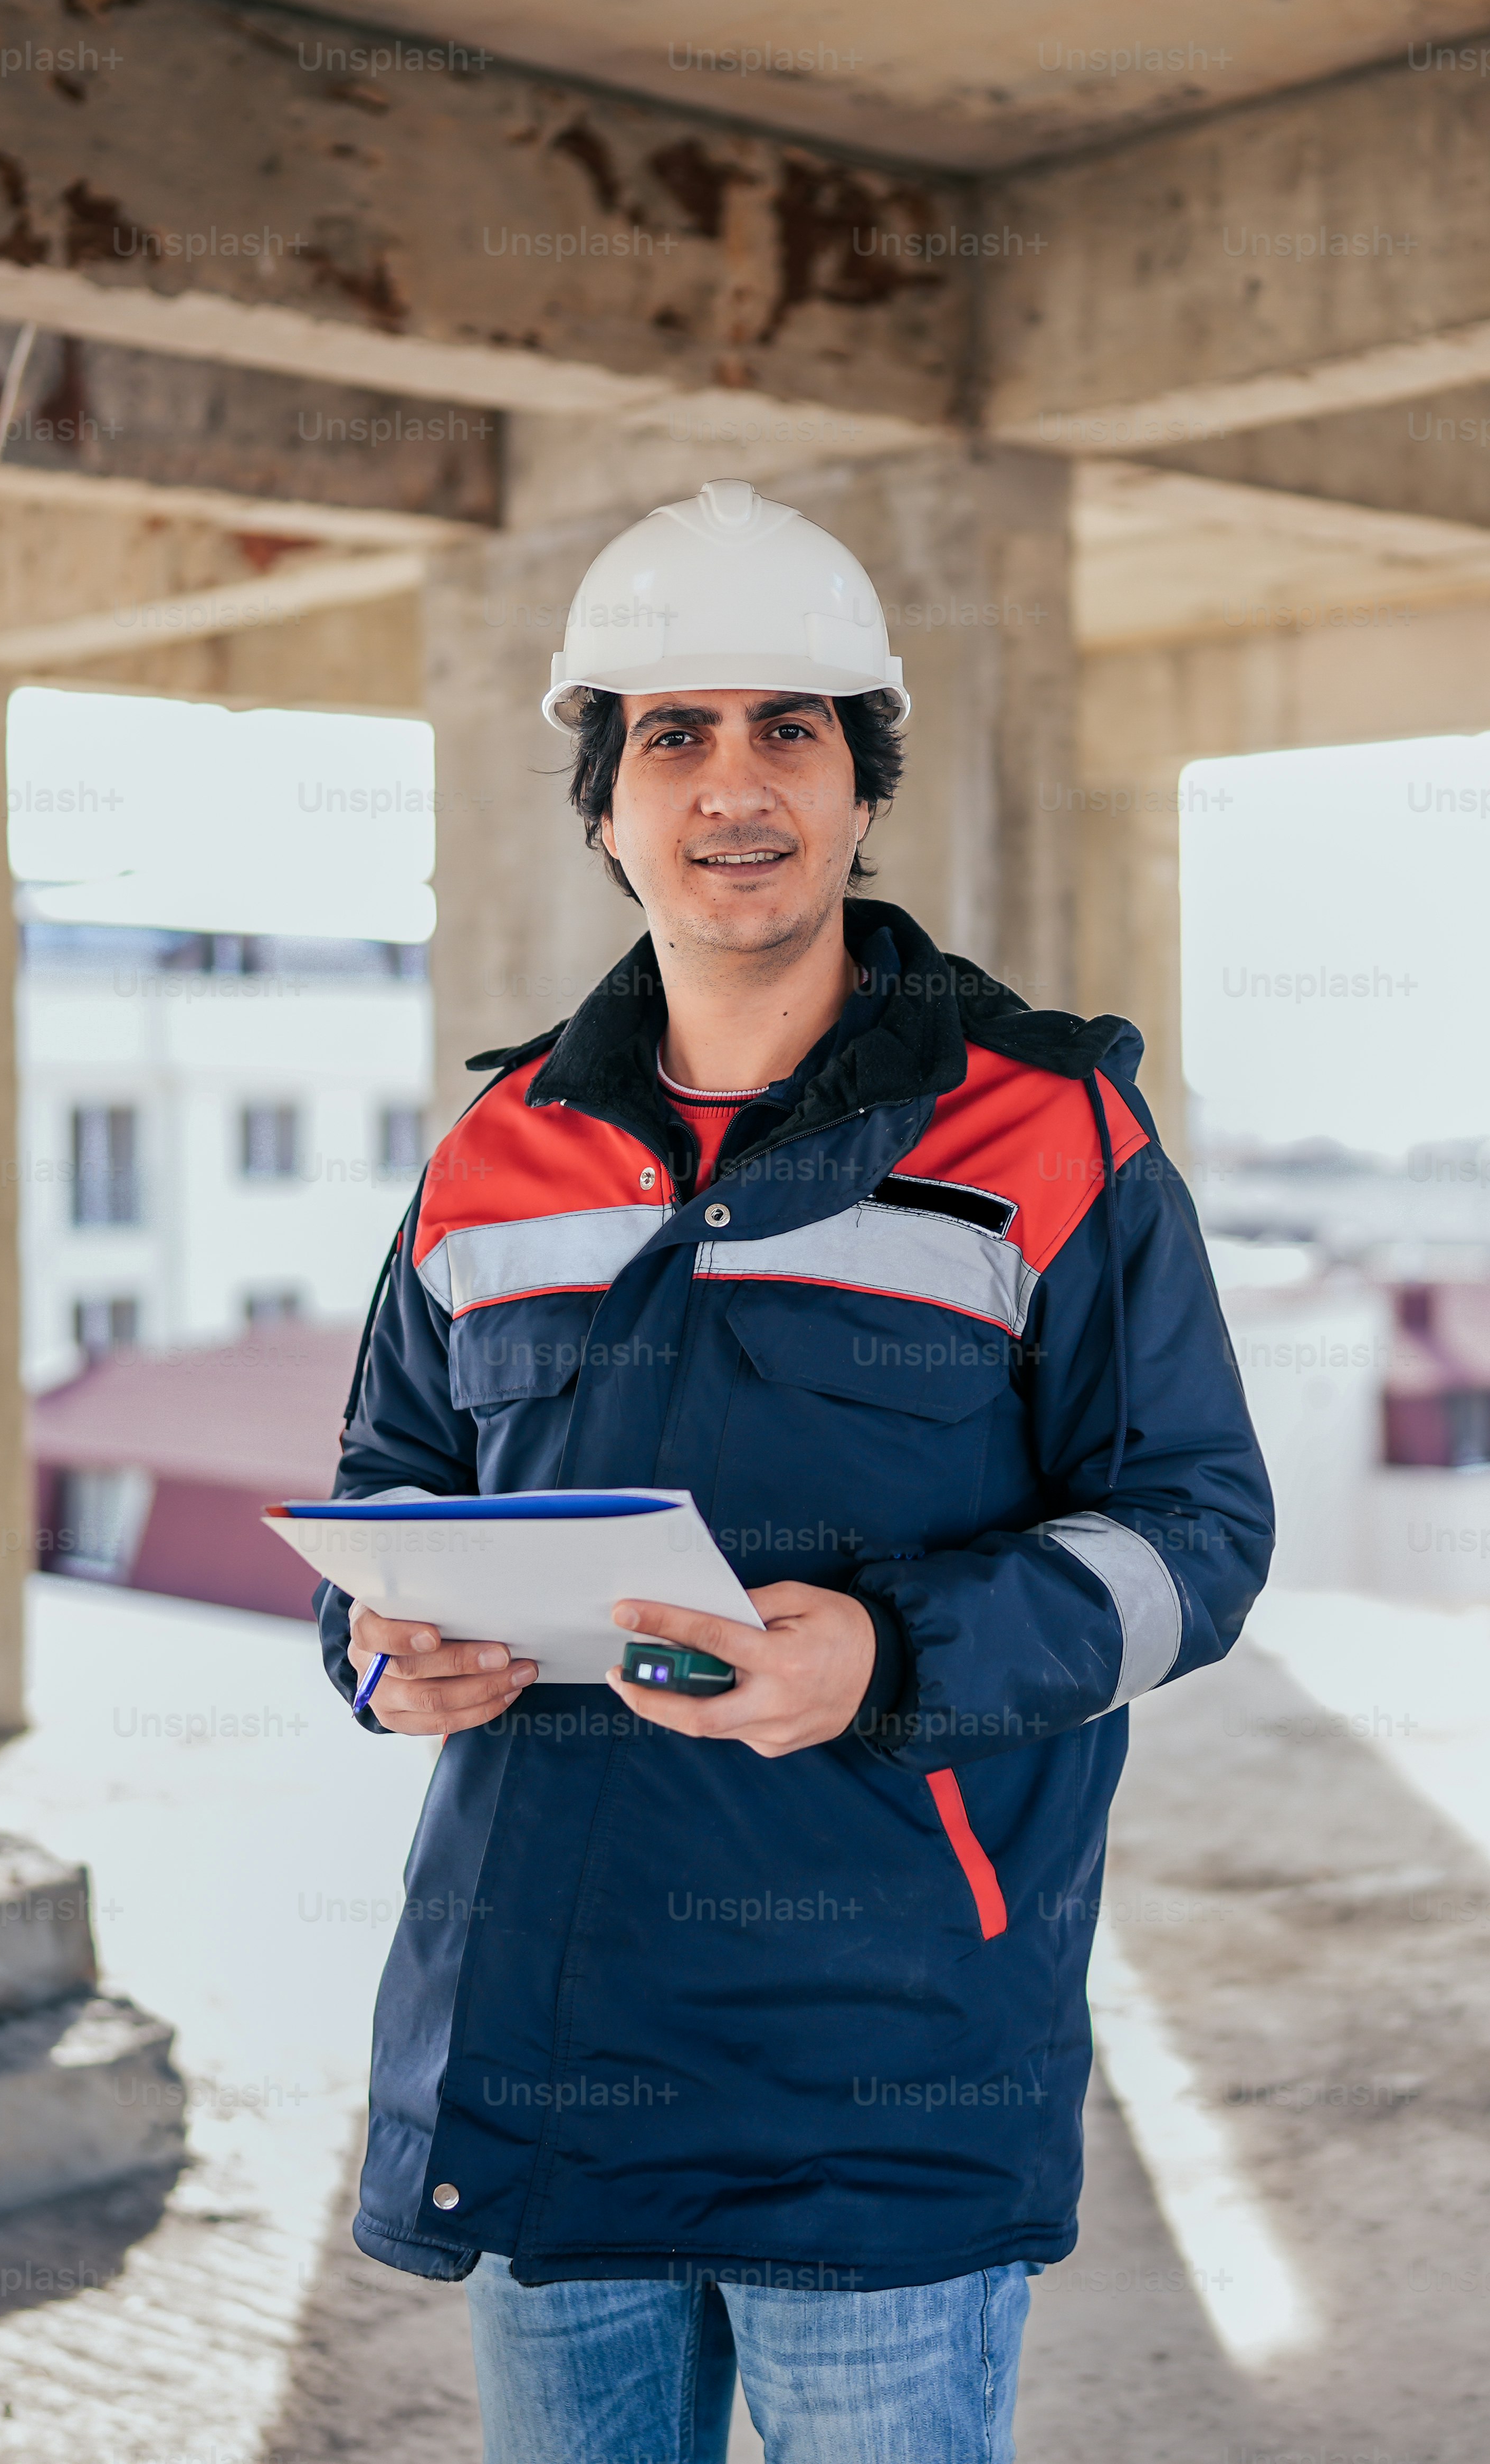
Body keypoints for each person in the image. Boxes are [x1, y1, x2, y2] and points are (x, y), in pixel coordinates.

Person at [317, 478, 1274, 2463]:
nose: (729, 783)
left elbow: (1196, 1540)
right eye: (671, 734)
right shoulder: (493, 1154)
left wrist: (887, 1654)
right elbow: (387, 1487)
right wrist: (379, 1645)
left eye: (788, 729)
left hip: (881, 2069)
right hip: (548, 2051)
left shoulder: (1046, 1132)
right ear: (603, 802)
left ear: (859, 789)